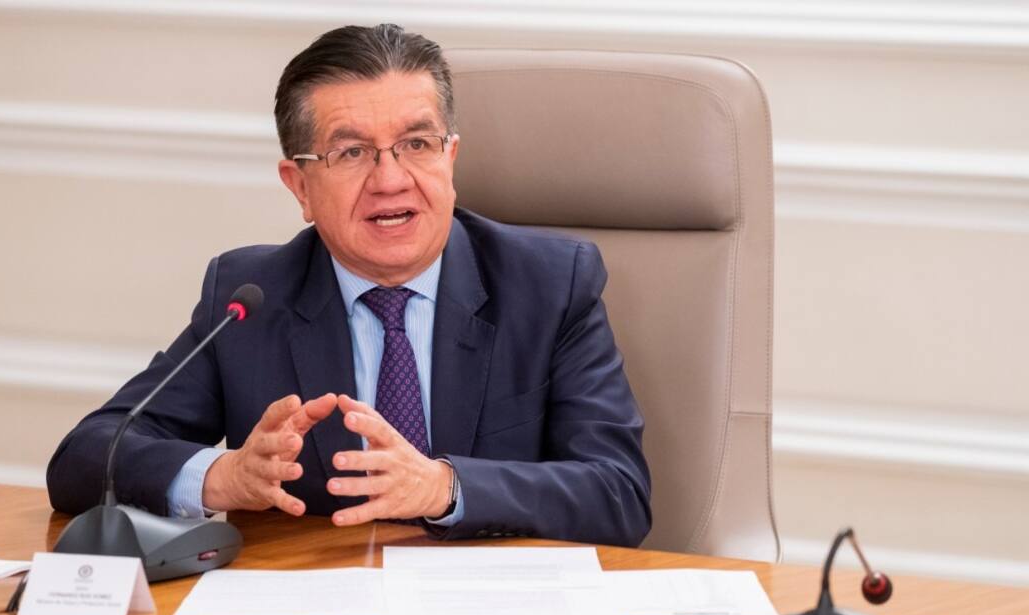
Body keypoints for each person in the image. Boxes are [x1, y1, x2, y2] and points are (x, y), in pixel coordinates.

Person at [47, 24, 651, 546]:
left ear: (450, 158)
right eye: (352, 152)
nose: (391, 180)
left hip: (493, 612)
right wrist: (221, 476)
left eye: (417, 144)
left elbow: (618, 493)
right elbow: (86, 456)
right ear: (299, 186)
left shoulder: (548, 285)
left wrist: (443, 487)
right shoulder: (252, 297)